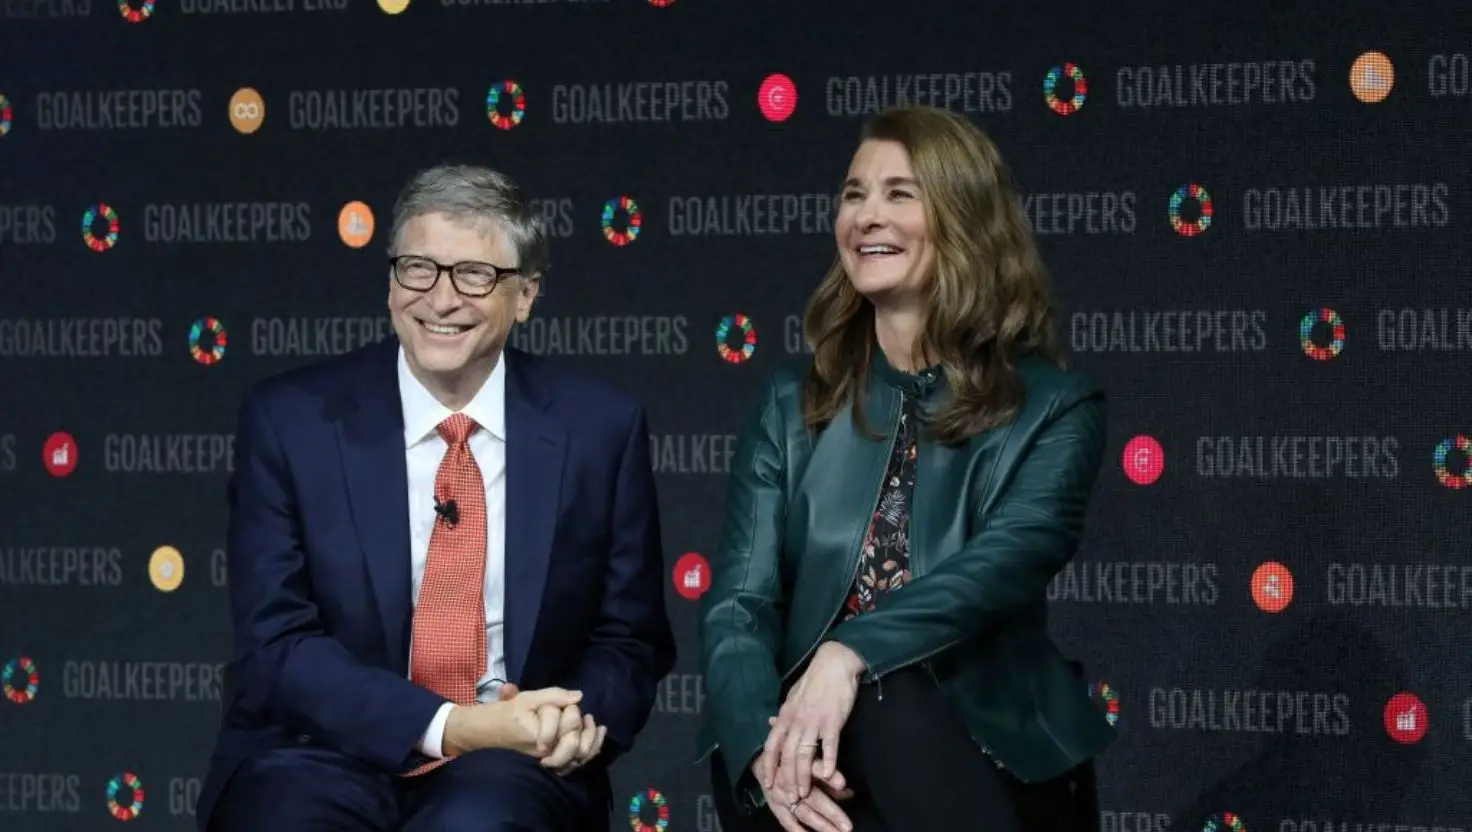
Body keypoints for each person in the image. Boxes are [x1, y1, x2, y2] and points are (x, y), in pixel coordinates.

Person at [198, 163, 677, 831]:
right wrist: (455, 726)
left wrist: (573, 718)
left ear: (527, 294)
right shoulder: (291, 421)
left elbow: (628, 639)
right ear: (390, 283)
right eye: (417, 268)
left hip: (513, 762)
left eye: (475, 275)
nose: (440, 299)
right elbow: (277, 646)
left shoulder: (600, 430)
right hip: (316, 751)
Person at [695, 105, 1116, 832]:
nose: (866, 216)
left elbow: (1000, 567)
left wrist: (847, 654)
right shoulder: (790, 402)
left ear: (965, 218)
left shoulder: (1054, 407)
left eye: (899, 193)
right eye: (854, 194)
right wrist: (759, 743)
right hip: (806, 748)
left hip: (981, 740)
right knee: (792, 741)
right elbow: (740, 603)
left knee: (896, 701)